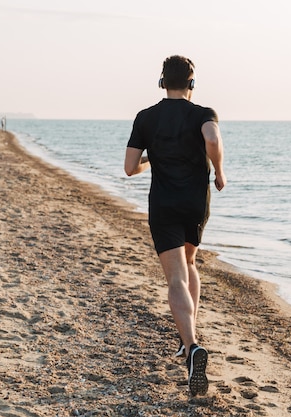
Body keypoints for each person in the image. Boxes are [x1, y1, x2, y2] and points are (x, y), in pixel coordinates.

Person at [124, 55, 226, 396]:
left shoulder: (146, 117)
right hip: (196, 202)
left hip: (164, 205)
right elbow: (212, 139)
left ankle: (192, 345)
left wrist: (152, 158)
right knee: (191, 263)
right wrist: (220, 172)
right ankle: (188, 340)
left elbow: (129, 167)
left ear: (161, 82)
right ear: (192, 83)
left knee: (176, 278)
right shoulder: (203, 114)